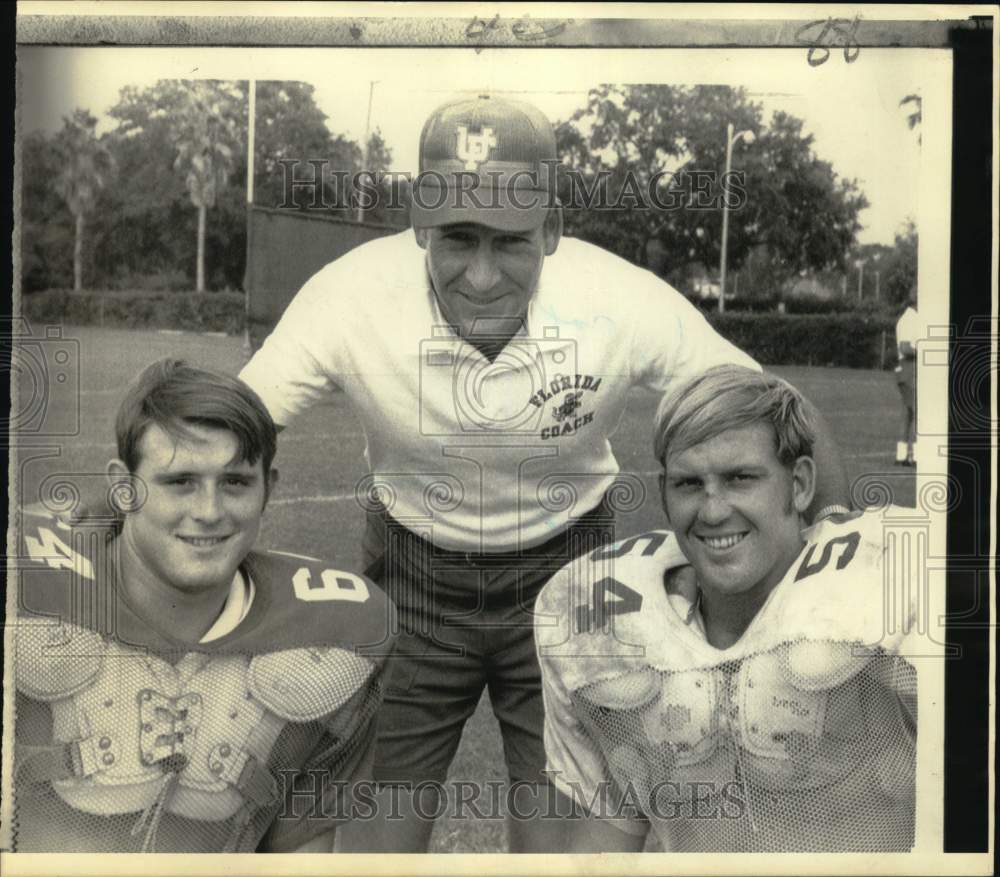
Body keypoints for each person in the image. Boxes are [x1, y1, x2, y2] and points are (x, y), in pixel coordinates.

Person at [238, 93, 852, 852]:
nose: (484, 275)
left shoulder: (617, 300)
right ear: (418, 224)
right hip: (412, 577)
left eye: (512, 241)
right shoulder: (347, 295)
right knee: (371, 847)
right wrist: (110, 544)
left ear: (554, 229)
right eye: (457, 238)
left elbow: (775, 408)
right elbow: (229, 422)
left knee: (561, 850)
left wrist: (835, 580)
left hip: (572, 580)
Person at [7, 359, 396, 853]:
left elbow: (301, 851)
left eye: (234, 482)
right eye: (180, 481)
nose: (209, 512)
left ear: (268, 490)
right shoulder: (27, 589)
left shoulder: (330, 633)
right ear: (124, 489)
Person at [535, 365, 918, 852]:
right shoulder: (605, 618)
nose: (713, 511)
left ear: (799, 485)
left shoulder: (885, 589)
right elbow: (605, 842)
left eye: (741, 479)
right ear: (663, 495)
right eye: (689, 484)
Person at [894, 287, 920, 466]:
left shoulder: (911, 318)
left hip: (908, 370)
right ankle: (916, 456)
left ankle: (901, 455)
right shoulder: (909, 320)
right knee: (919, 413)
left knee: (908, 414)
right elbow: (904, 348)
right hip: (910, 368)